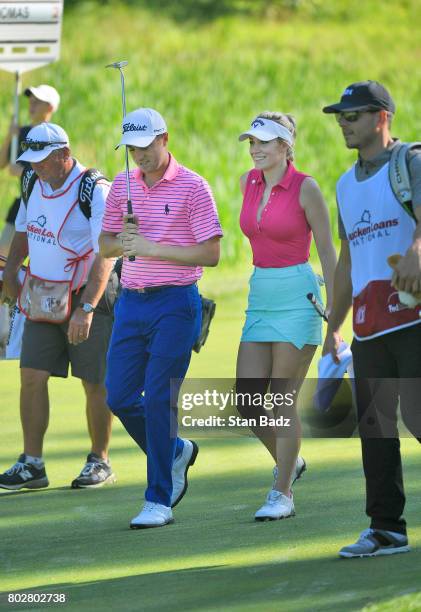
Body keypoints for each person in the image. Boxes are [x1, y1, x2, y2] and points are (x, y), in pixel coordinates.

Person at [99, 107, 222, 529]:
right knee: (117, 395)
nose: (138, 155)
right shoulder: (122, 184)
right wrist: (124, 242)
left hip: (176, 303)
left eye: (145, 146)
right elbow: (104, 245)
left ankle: (159, 500)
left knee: (159, 398)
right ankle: (175, 452)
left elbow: (212, 253)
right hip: (131, 303)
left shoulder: (193, 187)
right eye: (131, 148)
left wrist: (152, 247)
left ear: (164, 139)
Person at [322, 80, 421, 558]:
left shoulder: (412, 162)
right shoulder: (343, 184)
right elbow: (348, 261)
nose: (344, 122)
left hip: (414, 319)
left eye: (353, 114)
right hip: (369, 328)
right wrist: (333, 326)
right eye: (340, 116)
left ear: (382, 116)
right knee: (376, 428)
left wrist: (416, 255)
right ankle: (386, 529)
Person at [0, 122, 116, 490]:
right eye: (30, 161)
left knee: (94, 381)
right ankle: (32, 464)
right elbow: (24, 231)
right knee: (31, 376)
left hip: (86, 297)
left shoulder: (94, 190)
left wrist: (87, 308)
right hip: (41, 298)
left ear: (64, 155)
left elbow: (107, 253)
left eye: (42, 160)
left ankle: (100, 460)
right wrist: (10, 274)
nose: (34, 167)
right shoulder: (32, 182)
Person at [236, 112, 337, 521]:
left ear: (284, 147)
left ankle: (282, 493)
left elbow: (328, 251)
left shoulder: (306, 187)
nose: (255, 148)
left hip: (298, 294)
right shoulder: (248, 182)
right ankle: (289, 458)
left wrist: (338, 307)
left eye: (263, 142)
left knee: (280, 399)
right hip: (261, 295)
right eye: (251, 142)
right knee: (247, 398)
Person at [0, 85, 60, 257]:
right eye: (30, 102)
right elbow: (2, 163)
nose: (31, 106)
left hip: (46, 207)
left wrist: (22, 172)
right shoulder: (22, 132)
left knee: (40, 257)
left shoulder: (54, 136)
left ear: (50, 107)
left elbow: (57, 175)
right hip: (22, 204)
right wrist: (9, 136)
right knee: (3, 252)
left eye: (37, 102)